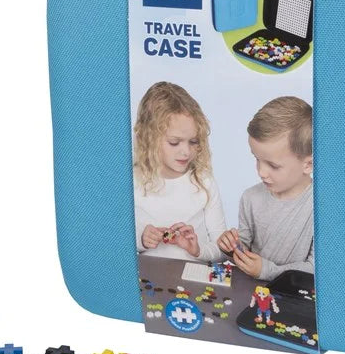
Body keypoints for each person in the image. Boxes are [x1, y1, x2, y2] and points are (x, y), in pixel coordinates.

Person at [218, 96, 314, 279]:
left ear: (308, 164)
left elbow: (316, 269)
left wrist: (267, 271)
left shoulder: (320, 208)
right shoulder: (250, 198)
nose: (261, 172)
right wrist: (232, 247)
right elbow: (244, 245)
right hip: (249, 290)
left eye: (273, 165)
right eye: (257, 159)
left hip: (293, 294)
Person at [133, 82, 226, 262]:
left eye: (193, 142)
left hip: (194, 273)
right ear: (149, 138)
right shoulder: (133, 181)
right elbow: (115, 240)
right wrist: (142, 239)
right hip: (148, 275)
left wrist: (197, 249)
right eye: (174, 142)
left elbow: (221, 250)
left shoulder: (203, 182)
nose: (186, 152)